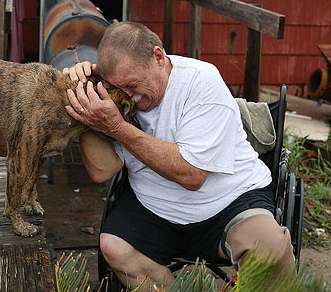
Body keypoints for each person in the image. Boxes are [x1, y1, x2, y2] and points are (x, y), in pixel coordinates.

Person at [64, 21, 294, 289]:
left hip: (228, 202)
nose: (128, 97)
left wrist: (117, 127)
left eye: (133, 84)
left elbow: (192, 175)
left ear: (158, 58)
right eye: (119, 87)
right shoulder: (117, 91)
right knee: (114, 246)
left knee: (271, 248)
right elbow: (102, 170)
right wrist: (83, 104)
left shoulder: (200, 81)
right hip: (155, 208)